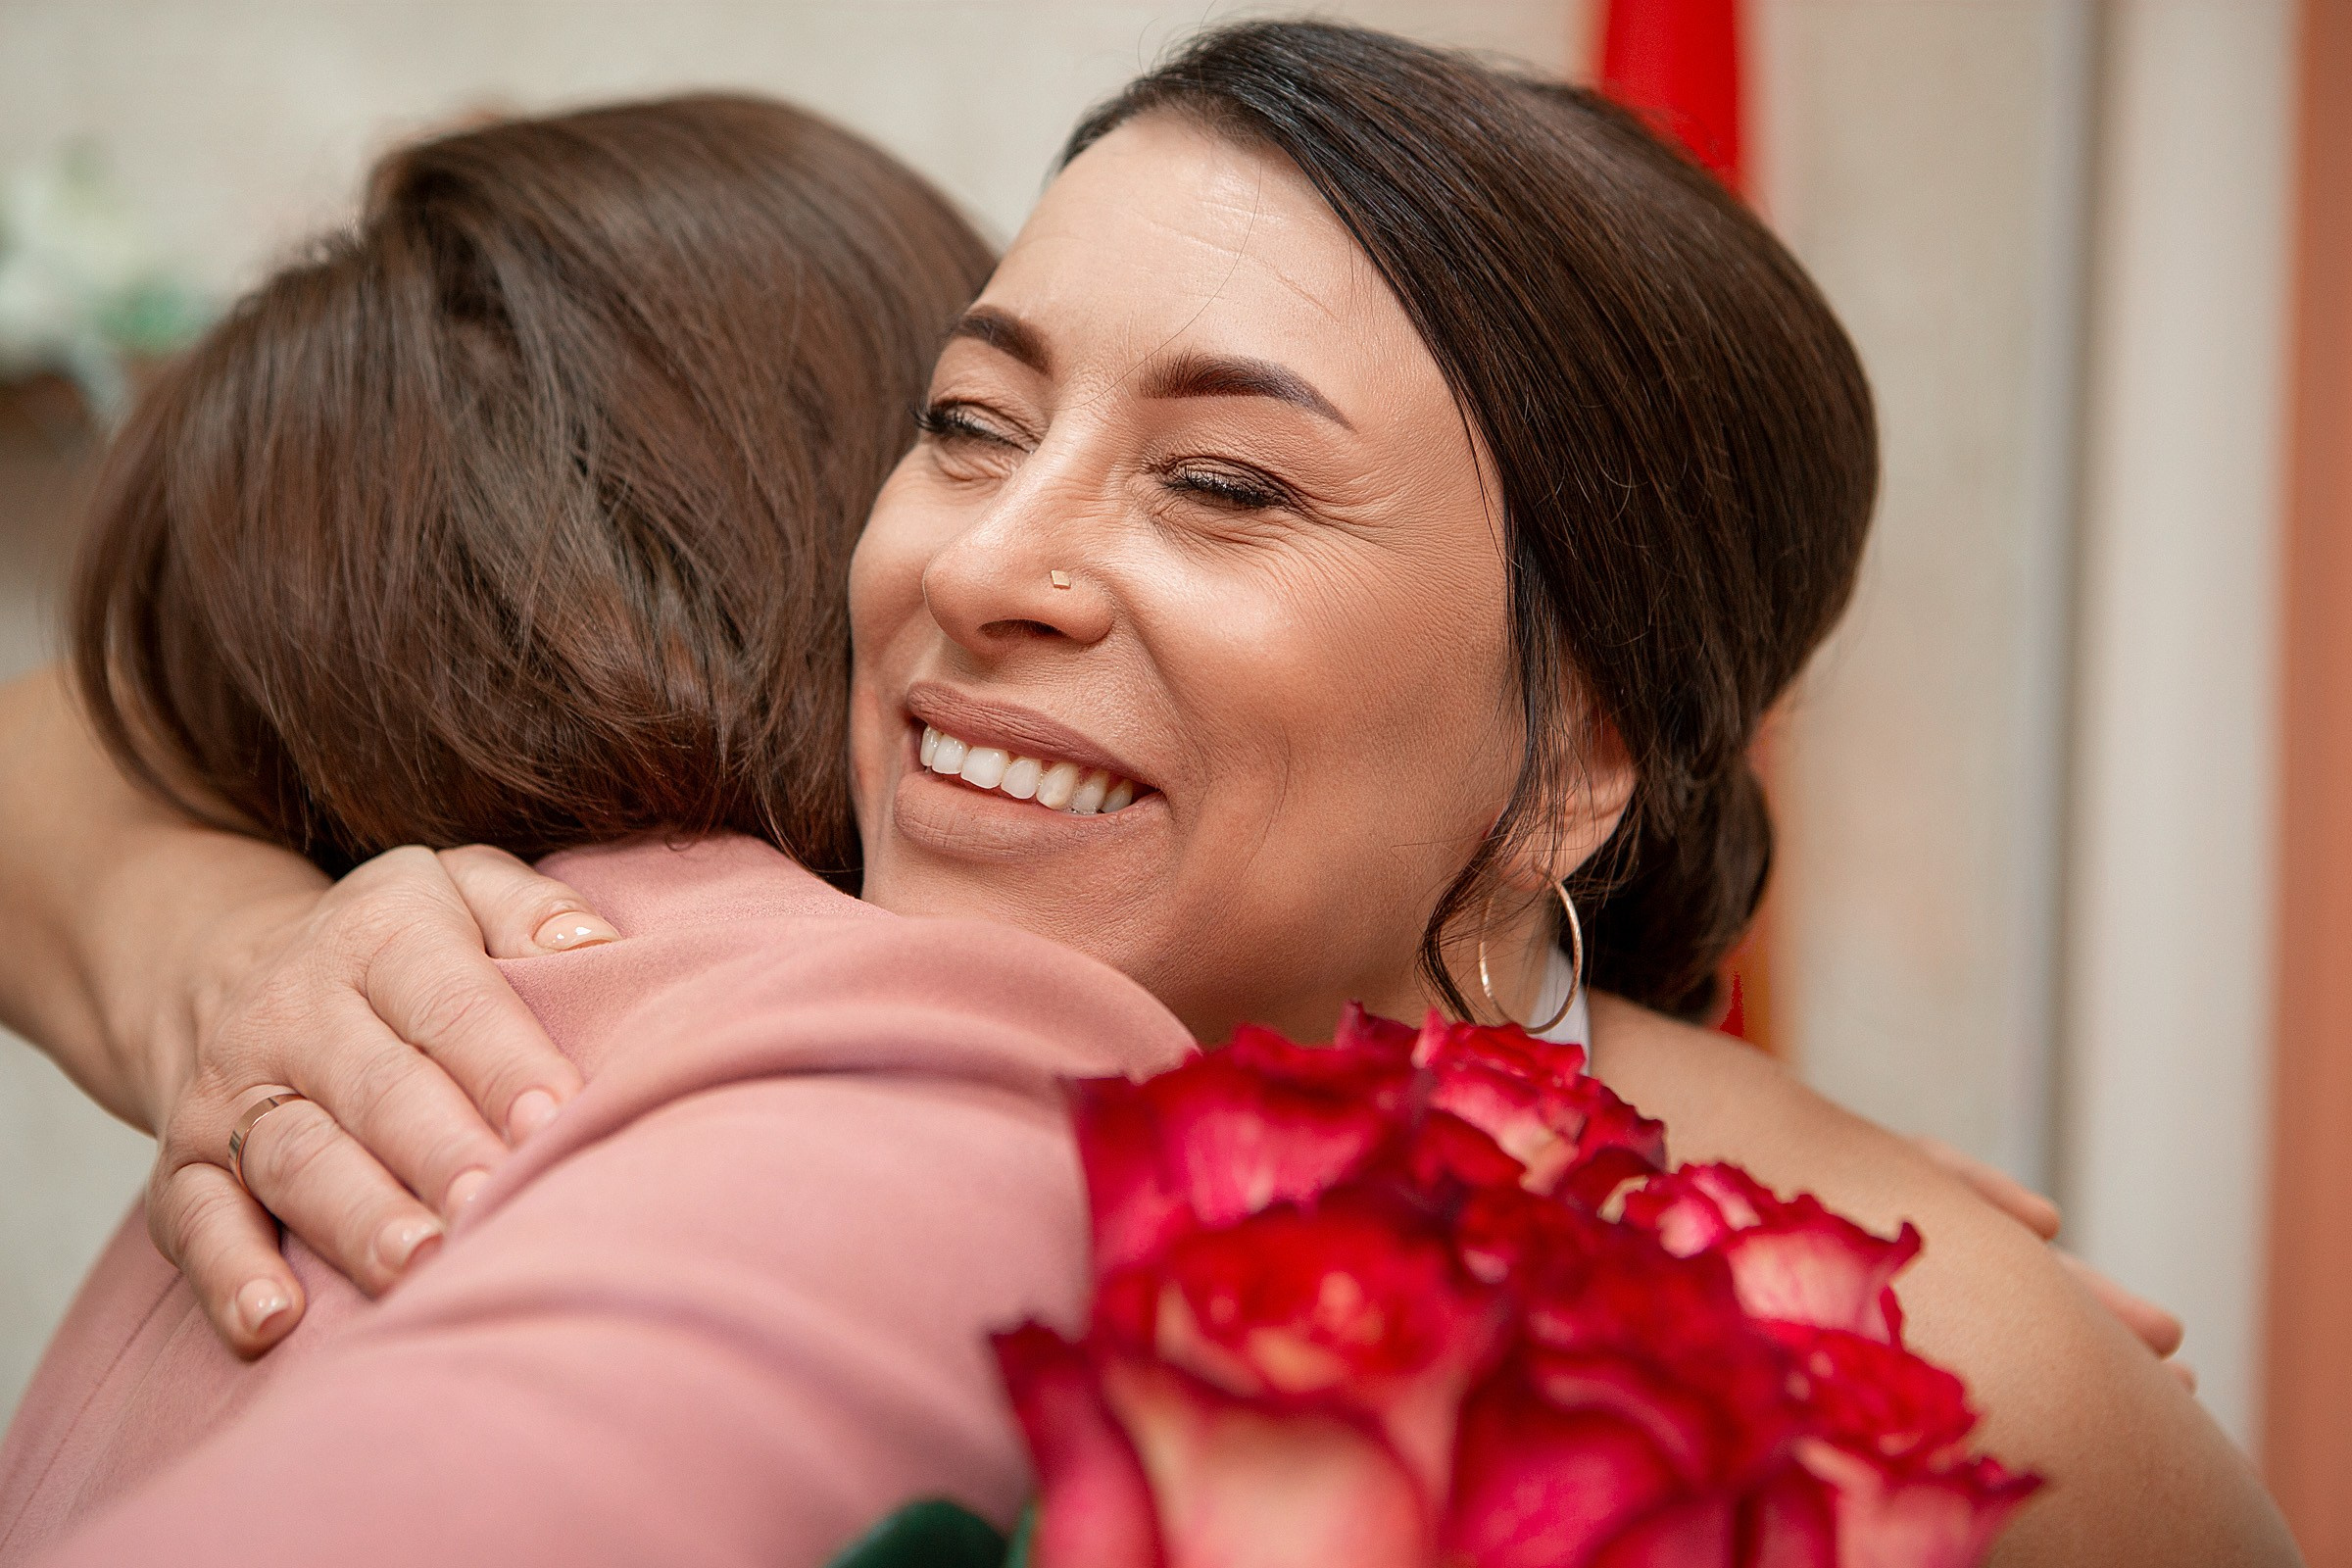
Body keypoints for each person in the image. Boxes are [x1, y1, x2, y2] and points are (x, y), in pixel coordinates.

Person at [0, 22, 2297, 1565]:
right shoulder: (775, 958)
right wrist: (216, 939)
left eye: (1221, 482)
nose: (974, 568)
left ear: (1579, 753)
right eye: (972, 423)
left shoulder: (1897, 1356)